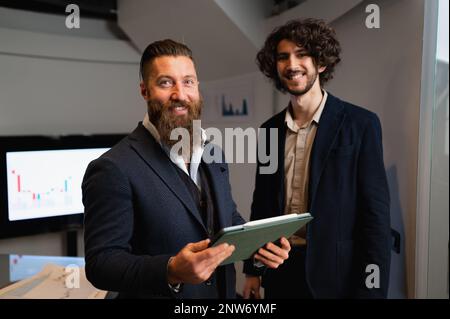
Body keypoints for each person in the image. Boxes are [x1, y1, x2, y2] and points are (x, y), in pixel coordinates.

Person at [82, 39, 291, 299]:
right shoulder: (112, 168)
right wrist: (170, 270)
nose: (180, 94)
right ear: (145, 91)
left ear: (198, 88)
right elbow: (101, 264)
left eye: (188, 82)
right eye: (165, 82)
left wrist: (259, 245)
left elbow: (226, 218)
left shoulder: (213, 153)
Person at [243, 19, 391, 299]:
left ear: (321, 63)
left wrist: (372, 291)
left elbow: (376, 218)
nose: (292, 64)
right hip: (280, 274)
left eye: (302, 54)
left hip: (338, 277)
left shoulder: (361, 124)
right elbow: (261, 206)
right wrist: (253, 269)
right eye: (283, 57)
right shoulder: (268, 131)